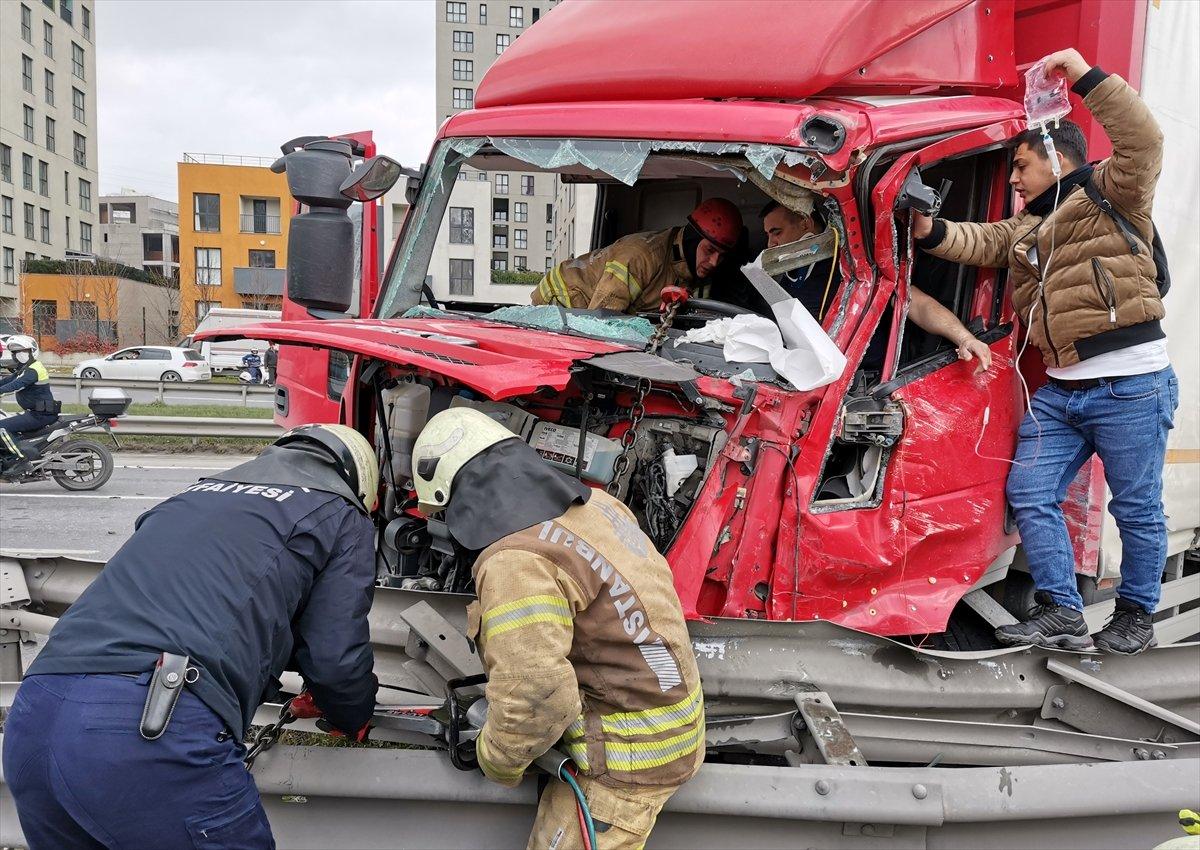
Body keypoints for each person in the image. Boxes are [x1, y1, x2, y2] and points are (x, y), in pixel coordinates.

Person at [2, 423, 381, 849]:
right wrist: (349, 713)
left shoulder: (190, 497)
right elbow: (334, 654)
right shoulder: (340, 514)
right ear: (358, 481)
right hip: (148, 729)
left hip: (34, 718)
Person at [913, 48, 1175, 654]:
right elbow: (977, 242)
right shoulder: (1027, 229)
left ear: (1057, 158)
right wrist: (927, 230)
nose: (1015, 181)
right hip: (1062, 392)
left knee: (1136, 508)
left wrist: (1082, 74)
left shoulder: (1116, 191)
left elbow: (1145, 137)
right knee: (1029, 492)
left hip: (1131, 384)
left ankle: (1135, 616)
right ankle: (1062, 608)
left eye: (1023, 168)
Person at [411, 408, 704, 850]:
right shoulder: (598, 507)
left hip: (622, 769)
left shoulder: (515, 561)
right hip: (669, 725)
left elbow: (537, 697)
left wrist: (497, 761)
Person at [761, 200, 993, 375]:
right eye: (768, 235)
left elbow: (917, 303)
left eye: (776, 232)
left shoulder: (852, 265)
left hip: (861, 383)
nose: (771, 244)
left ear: (805, 222)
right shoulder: (790, 275)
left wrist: (965, 338)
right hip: (803, 373)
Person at [533, 197, 743, 313]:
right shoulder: (639, 256)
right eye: (709, 250)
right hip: (561, 301)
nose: (714, 262)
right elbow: (600, 320)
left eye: (722, 255)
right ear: (692, 240)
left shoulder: (701, 274)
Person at [0, 335, 60, 473]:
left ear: (31, 352)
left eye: (22, 352)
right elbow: (7, 381)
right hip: (36, 412)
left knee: (1, 427)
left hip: (41, 414)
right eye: (15, 352)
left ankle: (22, 460)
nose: (18, 355)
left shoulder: (33, 370)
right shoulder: (25, 369)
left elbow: (15, 385)